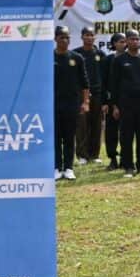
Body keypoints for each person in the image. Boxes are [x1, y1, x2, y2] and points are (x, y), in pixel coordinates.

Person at [108, 29, 140, 177]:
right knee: (126, 137)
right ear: (127, 41)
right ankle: (128, 167)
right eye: (132, 39)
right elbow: (113, 84)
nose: (135, 41)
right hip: (125, 104)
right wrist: (115, 106)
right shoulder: (119, 60)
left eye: (137, 39)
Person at [54, 26, 90, 180]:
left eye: (67, 37)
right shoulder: (48, 57)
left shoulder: (77, 58)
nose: (65, 40)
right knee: (55, 137)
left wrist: (85, 102)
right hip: (53, 104)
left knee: (69, 136)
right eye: (62, 37)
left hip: (72, 104)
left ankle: (68, 167)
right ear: (55, 39)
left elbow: (85, 83)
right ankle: (56, 167)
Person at [73, 26, 105, 165]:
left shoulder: (100, 55)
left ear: (95, 37)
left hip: (98, 94)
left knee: (96, 125)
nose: (89, 37)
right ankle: (82, 155)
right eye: (86, 35)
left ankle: (94, 154)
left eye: (92, 35)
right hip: (81, 95)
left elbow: (105, 77)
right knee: (81, 125)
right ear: (82, 37)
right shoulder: (76, 54)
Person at [102, 32, 127, 169]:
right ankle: (113, 158)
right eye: (120, 41)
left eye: (124, 41)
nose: (123, 44)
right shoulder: (108, 60)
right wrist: (104, 102)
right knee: (111, 131)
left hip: (127, 100)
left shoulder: (132, 58)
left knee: (126, 131)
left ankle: (125, 158)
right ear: (114, 44)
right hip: (112, 100)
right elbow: (103, 82)